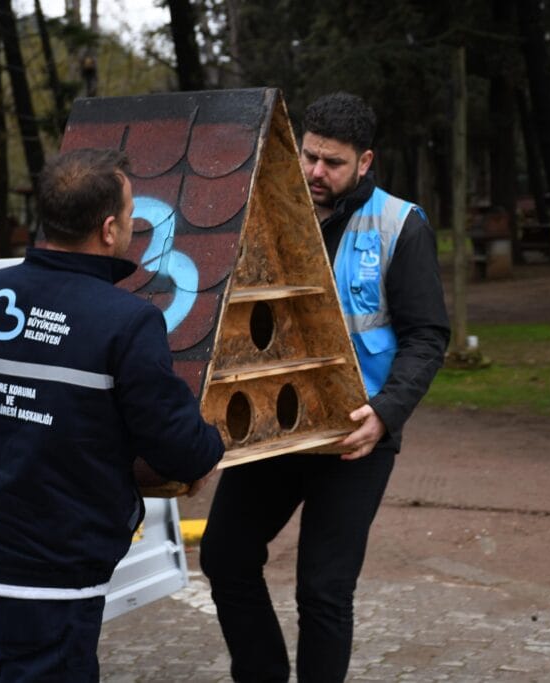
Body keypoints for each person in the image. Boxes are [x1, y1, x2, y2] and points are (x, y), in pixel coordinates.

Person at [0, 148, 224, 681]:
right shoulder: (127, 322)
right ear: (108, 230)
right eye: (129, 216)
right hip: (58, 565)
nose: (130, 225)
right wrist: (212, 445)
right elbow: (178, 445)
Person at [200, 92, 450, 682]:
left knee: (324, 589)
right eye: (309, 156)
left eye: (332, 163)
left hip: (355, 435)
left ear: (365, 162)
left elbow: (427, 337)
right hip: (277, 424)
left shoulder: (400, 226)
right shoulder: (266, 212)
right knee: (225, 557)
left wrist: (386, 414)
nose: (314, 172)